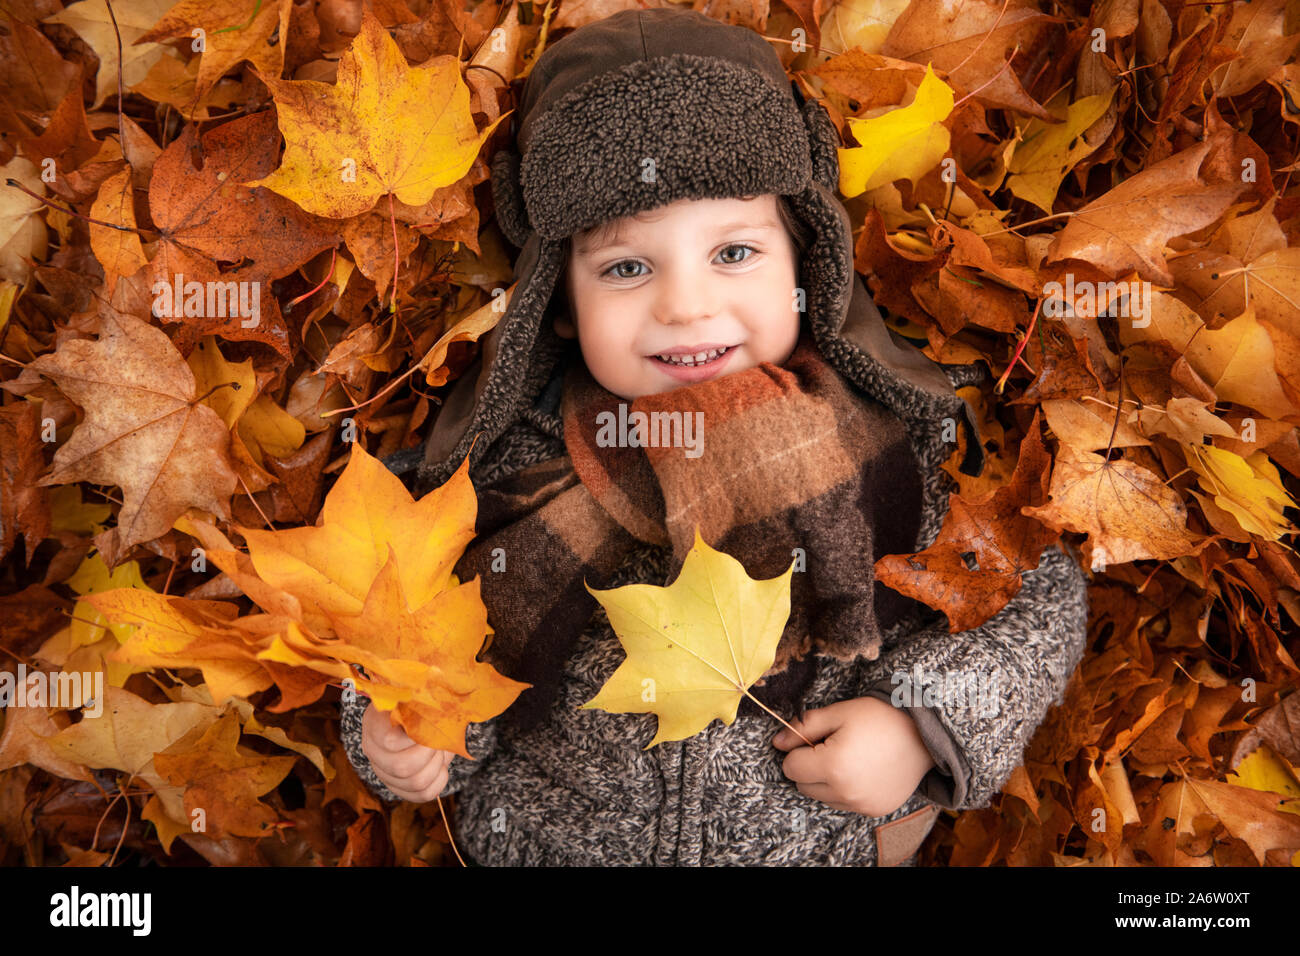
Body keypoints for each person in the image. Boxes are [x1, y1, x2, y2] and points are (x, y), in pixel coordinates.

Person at [338, 7, 1089, 866]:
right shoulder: (504, 471)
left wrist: (921, 730)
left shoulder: (891, 444)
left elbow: (1036, 599)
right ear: (559, 299)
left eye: (733, 253)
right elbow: (388, 634)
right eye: (626, 268)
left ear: (808, 261)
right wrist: (398, 735)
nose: (685, 306)